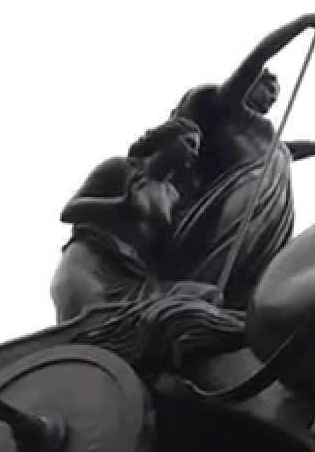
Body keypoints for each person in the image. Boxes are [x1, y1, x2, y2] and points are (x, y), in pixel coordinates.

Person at [168, 12, 315, 309]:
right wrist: (302, 24)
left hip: (273, 212)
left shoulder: (273, 141)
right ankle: (191, 304)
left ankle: (235, 308)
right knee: (224, 255)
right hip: (240, 200)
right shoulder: (228, 107)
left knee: (259, 269)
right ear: (250, 83)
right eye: (268, 88)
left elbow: (314, 146)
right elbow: (258, 56)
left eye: (276, 95)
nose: (272, 97)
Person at [49, 117, 202, 323]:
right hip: (94, 266)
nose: (194, 153)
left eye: (197, 148)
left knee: (204, 295)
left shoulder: (172, 195)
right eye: (189, 143)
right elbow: (69, 212)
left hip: (136, 278)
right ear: (167, 140)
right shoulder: (119, 168)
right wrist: (122, 206)